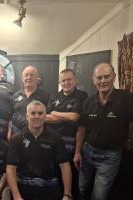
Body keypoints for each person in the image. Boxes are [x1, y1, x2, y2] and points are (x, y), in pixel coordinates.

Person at [73, 62, 133, 200]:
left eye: (107, 76)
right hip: (87, 152)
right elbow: (81, 129)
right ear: (93, 80)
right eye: (99, 77)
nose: (103, 81)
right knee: (83, 188)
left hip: (110, 157)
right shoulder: (88, 101)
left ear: (114, 77)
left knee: (99, 196)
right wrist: (77, 152)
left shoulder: (126, 98)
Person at [7, 100, 72, 200]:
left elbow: (65, 166)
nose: (37, 116)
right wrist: (16, 196)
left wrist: (67, 195)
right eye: (33, 113)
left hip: (50, 189)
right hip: (24, 189)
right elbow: (11, 169)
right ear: (27, 116)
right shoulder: (17, 139)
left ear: (45, 116)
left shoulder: (56, 138)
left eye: (40, 113)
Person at [46, 68, 87, 199]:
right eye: (63, 80)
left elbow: (75, 117)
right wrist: (66, 117)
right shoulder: (54, 96)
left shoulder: (82, 95)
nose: (66, 83)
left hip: (72, 143)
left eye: (69, 80)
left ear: (75, 81)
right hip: (53, 142)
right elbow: (46, 117)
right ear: (59, 82)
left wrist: (55, 113)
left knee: (72, 178)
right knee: (55, 175)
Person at [12, 65, 49, 135]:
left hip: (36, 134)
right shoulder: (15, 95)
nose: (28, 77)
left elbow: (46, 116)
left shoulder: (45, 96)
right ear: (23, 78)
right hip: (17, 134)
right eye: (26, 75)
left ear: (37, 79)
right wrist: (9, 132)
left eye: (32, 75)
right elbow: (11, 116)